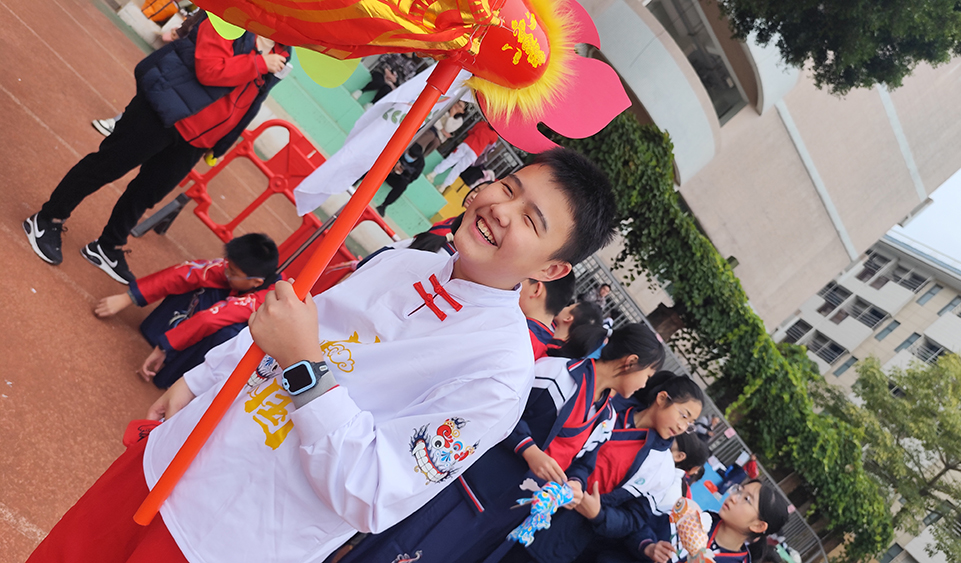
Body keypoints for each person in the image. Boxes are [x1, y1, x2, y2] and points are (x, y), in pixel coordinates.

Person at [26, 148, 619, 563]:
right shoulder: (404, 260)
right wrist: (200, 380)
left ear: (551, 269)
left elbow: (373, 491)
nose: (500, 209)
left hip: (228, 538)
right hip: (177, 455)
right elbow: (283, 323)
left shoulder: (499, 372)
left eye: (530, 220)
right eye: (508, 188)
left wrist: (304, 367)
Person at [336, 323, 667, 563]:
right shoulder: (558, 375)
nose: (644, 386)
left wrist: (576, 484)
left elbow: (585, 462)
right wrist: (529, 450)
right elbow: (497, 409)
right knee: (400, 550)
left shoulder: (606, 415)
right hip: (468, 490)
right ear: (630, 362)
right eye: (647, 376)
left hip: (509, 514)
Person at [24, 18, 290, 284]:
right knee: (106, 166)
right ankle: (48, 218)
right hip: (164, 110)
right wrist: (259, 64)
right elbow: (209, 71)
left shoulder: (283, 50)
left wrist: (222, 143)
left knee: (147, 193)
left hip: (198, 138)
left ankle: (108, 245)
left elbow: (253, 101)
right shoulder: (229, 21)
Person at [505, 372, 707, 563]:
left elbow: (634, 519)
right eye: (683, 415)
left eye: (690, 424)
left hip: (559, 536)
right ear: (662, 398)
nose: (682, 427)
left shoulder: (662, 468)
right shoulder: (607, 407)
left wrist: (598, 514)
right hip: (524, 489)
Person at [93, 233, 279, 389]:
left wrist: (165, 347)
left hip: (242, 351)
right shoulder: (240, 270)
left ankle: (182, 378)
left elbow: (211, 319)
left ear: (256, 282)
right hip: (226, 309)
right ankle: (159, 334)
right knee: (202, 281)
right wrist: (128, 297)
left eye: (233, 273)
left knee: (227, 332)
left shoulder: (264, 299)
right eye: (227, 266)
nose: (226, 272)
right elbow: (188, 272)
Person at [92, 11, 208, 138]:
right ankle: (124, 123)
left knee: (161, 94)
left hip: (196, 59)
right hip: (190, 52)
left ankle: (123, 125)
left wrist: (183, 31)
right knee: (151, 81)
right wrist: (183, 30)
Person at [619, 480, 790, 563]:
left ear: (758, 526)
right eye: (739, 490)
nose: (734, 497)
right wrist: (647, 546)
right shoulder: (693, 517)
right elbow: (635, 525)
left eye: (746, 499)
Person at [519, 274, 577, 360]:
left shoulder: (517, 333)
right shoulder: (547, 347)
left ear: (536, 289)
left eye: (519, 281)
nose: (515, 286)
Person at [427, 120, 499, 190]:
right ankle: (443, 186)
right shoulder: (495, 136)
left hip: (467, 143)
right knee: (459, 169)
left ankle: (433, 174)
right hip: (475, 152)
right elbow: (490, 144)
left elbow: (472, 131)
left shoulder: (483, 123)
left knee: (451, 159)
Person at [375, 144, 426, 216]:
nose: (410, 157)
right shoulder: (402, 149)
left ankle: (384, 205)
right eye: (409, 154)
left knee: (403, 185)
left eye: (412, 157)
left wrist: (402, 173)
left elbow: (412, 178)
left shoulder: (420, 164)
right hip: (389, 169)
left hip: (399, 178)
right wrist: (394, 165)